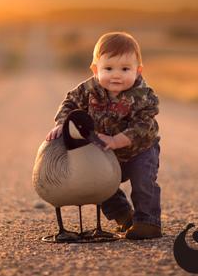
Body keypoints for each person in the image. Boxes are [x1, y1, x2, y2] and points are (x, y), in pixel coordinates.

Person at [46, 31, 162, 240]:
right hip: (104, 150)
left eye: (125, 69)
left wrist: (117, 140)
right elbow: (70, 104)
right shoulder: (87, 89)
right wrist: (63, 123)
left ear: (138, 71)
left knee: (143, 183)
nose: (116, 75)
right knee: (101, 184)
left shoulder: (144, 95)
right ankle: (124, 216)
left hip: (139, 151)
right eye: (108, 68)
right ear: (95, 69)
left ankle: (148, 222)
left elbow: (144, 126)